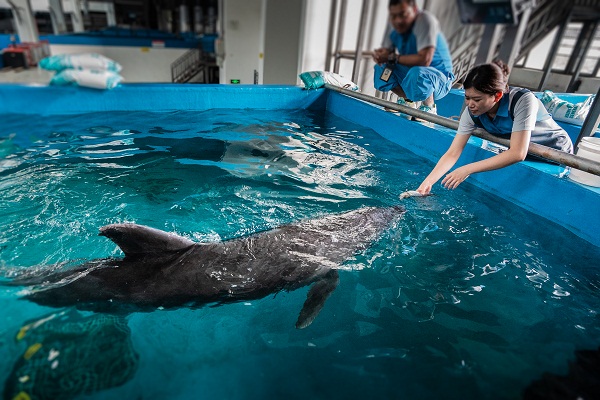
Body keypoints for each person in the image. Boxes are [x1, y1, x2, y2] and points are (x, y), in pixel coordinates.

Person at [415, 60, 574, 195]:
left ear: (497, 96)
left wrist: (467, 169)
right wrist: (427, 183)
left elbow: (518, 153)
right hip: (528, 151)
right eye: (467, 97)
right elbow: (453, 152)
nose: (470, 104)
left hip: (556, 153)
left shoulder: (522, 101)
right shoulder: (472, 113)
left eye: (477, 99)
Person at [373, 0, 454, 118]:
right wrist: (381, 56)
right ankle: (408, 101)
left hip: (440, 78)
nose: (398, 20)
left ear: (415, 10)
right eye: (394, 15)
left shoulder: (426, 22)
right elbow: (388, 52)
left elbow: (424, 60)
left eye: (403, 15)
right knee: (382, 68)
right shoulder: (394, 24)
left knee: (418, 72)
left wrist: (392, 57)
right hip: (411, 71)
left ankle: (429, 106)